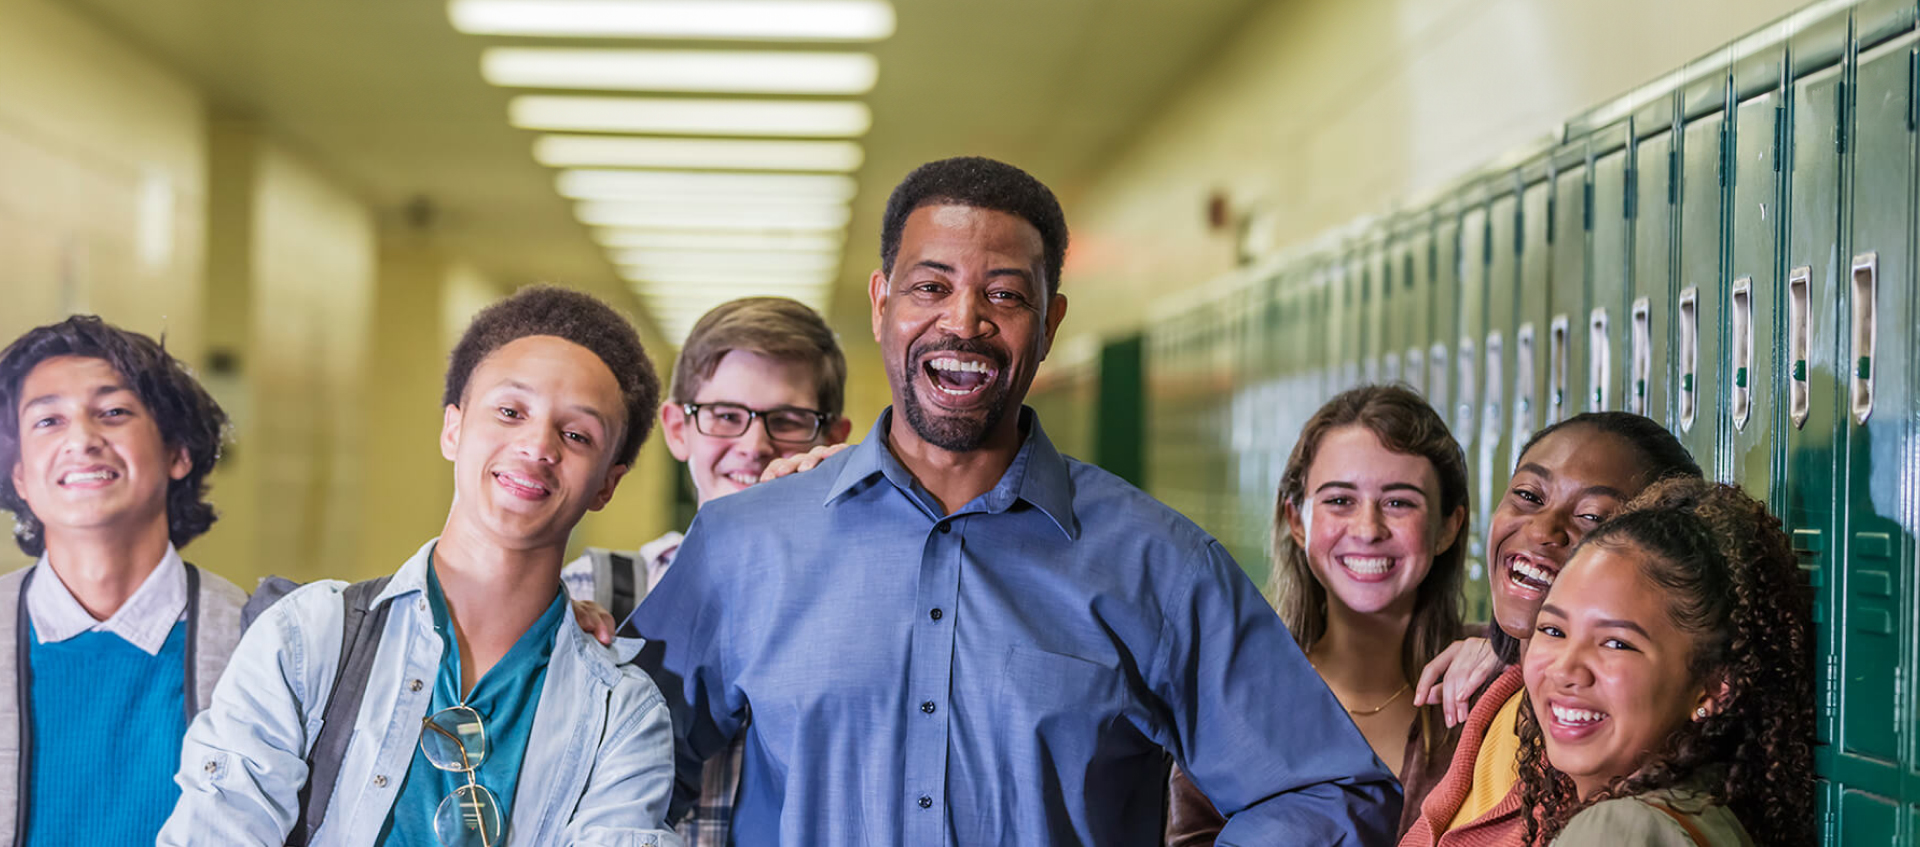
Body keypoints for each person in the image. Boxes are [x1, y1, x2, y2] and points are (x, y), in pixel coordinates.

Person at [634, 156, 1398, 846]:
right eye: (930, 286)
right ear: (881, 303)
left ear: (1051, 321)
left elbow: (1330, 788)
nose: (963, 321)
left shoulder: (1157, 562)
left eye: (1003, 294)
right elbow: (601, 765)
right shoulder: (747, 544)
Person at [159, 286, 680, 846]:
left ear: (608, 482)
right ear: (452, 429)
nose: (537, 445)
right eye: (510, 411)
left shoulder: (621, 715)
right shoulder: (308, 638)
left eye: (576, 434)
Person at [561, 295, 851, 847]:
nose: (754, 445)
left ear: (832, 438)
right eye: (724, 415)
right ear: (676, 428)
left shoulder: (856, 605)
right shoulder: (595, 593)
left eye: (788, 420)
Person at [1166, 384, 1469, 843]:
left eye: (1399, 502)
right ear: (1297, 521)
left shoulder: (1489, 690)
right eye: (1339, 500)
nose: (1368, 529)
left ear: (1448, 526)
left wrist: (1515, 658)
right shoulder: (1234, 700)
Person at [1398, 412, 1701, 847]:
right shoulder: (1491, 701)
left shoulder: (1600, 757)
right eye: (1527, 495)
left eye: (1594, 518)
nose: (1542, 530)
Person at [0, 316, 248, 846]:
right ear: (20, 474)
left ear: (178, 453)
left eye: (113, 412)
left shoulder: (260, 642)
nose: (82, 440)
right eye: (48, 421)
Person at [1516, 477, 1813, 846]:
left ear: (1715, 687)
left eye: (1615, 643)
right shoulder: (1699, 813)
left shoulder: (1618, 829)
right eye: (1553, 630)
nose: (1564, 670)